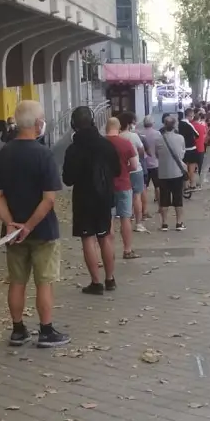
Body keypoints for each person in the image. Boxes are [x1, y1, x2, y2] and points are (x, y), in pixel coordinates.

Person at [0, 101, 70, 348]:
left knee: (17, 281)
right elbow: (48, 199)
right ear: (38, 124)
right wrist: (29, 225)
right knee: (44, 281)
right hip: (43, 230)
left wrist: (11, 224)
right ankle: (46, 331)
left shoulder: (3, 154)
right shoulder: (43, 155)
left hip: (12, 234)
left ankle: (17, 330)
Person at [62, 106, 121, 295]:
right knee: (105, 237)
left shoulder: (73, 149)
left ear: (73, 125)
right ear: (94, 121)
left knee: (88, 238)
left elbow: (67, 179)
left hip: (83, 199)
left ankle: (96, 283)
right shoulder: (106, 145)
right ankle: (110, 278)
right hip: (105, 197)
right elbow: (117, 171)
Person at [105, 117, 140, 258]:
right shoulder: (125, 144)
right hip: (124, 184)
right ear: (119, 128)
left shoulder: (101, 144)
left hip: (106, 186)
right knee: (125, 218)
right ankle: (127, 250)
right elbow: (134, 165)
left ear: (106, 128)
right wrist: (125, 169)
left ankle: (108, 251)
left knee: (109, 219)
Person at [155, 114, 187, 231]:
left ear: (164, 125)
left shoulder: (158, 139)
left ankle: (164, 223)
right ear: (174, 126)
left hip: (163, 173)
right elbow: (182, 155)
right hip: (177, 172)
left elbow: (156, 155)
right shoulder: (181, 138)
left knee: (164, 199)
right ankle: (179, 223)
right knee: (178, 198)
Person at [119, 111, 148, 233]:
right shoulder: (134, 136)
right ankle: (138, 223)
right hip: (136, 169)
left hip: (122, 170)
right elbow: (142, 151)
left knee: (124, 195)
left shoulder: (118, 137)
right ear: (130, 124)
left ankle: (126, 219)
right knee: (137, 196)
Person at [141, 115, 162, 214]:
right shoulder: (157, 134)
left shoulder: (140, 134)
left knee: (144, 187)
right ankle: (160, 207)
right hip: (155, 163)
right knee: (158, 186)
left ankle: (144, 209)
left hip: (144, 164)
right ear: (152, 123)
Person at [178, 108, 199, 190]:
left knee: (184, 168)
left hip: (183, 149)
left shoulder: (179, 124)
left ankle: (185, 185)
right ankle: (192, 184)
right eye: (192, 115)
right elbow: (197, 134)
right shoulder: (189, 124)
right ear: (189, 115)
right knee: (192, 168)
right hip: (192, 149)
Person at [193, 111, 208, 187]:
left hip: (192, 148)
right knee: (200, 165)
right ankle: (200, 181)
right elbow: (205, 136)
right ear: (199, 119)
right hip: (200, 147)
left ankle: (192, 182)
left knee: (191, 166)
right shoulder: (202, 127)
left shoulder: (190, 126)